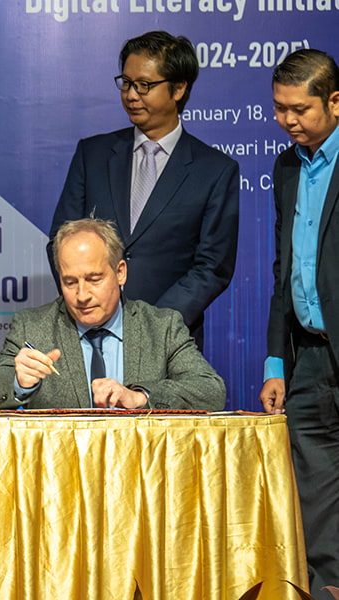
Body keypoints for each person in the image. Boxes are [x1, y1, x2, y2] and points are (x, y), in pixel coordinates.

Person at [49, 30, 240, 350]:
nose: (131, 94)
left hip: (169, 340)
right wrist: (92, 307)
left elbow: (212, 266)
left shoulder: (215, 170)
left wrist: (153, 324)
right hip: (90, 335)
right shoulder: (92, 155)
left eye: (144, 85)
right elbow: (61, 239)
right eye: (126, 83)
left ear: (179, 88)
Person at [0, 218, 225, 410]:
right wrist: (19, 384)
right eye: (69, 282)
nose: (82, 295)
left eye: (94, 279)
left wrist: (140, 397)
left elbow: (210, 392)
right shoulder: (33, 326)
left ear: (120, 272)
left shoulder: (162, 327)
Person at [260, 48, 339, 599]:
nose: (288, 121)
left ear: (335, 102)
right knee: (314, 495)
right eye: (279, 109)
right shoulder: (287, 166)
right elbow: (283, 270)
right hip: (307, 358)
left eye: (300, 109)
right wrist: (275, 361)